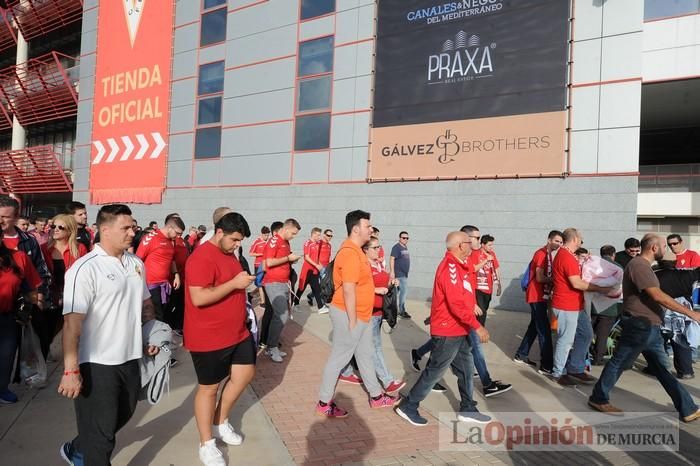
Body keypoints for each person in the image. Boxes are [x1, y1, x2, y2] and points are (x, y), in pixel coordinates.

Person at [58, 204, 160, 466]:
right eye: (125, 227)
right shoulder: (84, 269)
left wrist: (152, 334)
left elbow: (145, 304)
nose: (132, 232)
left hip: (130, 357)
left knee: (123, 416)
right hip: (96, 362)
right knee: (103, 438)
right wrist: (71, 371)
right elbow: (72, 325)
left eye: (133, 226)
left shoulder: (136, 263)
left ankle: (77, 448)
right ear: (105, 230)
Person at [588, 233, 700, 423]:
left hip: (649, 326)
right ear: (654, 248)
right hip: (639, 325)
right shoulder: (639, 266)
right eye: (665, 246)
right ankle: (598, 398)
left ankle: (688, 408)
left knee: (661, 369)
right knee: (619, 362)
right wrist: (691, 313)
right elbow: (656, 295)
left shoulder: (644, 266)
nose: (667, 250)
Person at [395, 231, 491, 426]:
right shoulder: (450, 268)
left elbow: (465, 291)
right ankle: (409, 405)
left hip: (460, 329)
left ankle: (467, 408)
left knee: (465, 368)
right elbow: (455, 303)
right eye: (468, 241)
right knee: (435, 371)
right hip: (448, 331)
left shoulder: (462, 265)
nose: (472, 244)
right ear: (459, 246)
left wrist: (471, 309)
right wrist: (477, 326)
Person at [185, 212, 256, 466]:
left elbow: (231, 283)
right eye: (235, 239)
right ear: (219, 233)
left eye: (241, 241)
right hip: (208, 336)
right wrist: (236, 284)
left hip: (238, 332)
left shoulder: (230, 254)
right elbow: (199, 298)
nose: (238, 245)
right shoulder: (201, 257)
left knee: (244, 375)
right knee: (209, 389)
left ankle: (220, 421)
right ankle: (206, 443)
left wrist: (245, 284)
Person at [316, 210, 397, 417]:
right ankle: (324, 403)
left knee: (365, 355)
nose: (371, 229)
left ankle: (377, 397)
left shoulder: (357, 251)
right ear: (356, 229)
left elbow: (360, 285)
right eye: (368, 226)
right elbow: (349, 289)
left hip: (361, 315)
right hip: (349, 314)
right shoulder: (350, 253)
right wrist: (353, 321)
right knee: (338, 359)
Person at [338, 236, 405, 392]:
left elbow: (383, 282)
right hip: (367, 312)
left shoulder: (379, 264)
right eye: (374, 247)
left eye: (378, 246)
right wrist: (374, 290)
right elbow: (351, 287)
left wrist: (392, 282)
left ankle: (345, 371)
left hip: (379, 312)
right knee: (375, 347)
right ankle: (388, 382)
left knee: (354, 343)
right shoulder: (362, 266)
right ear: (365, 250)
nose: (378, 250)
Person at [551, 228, 611, 386]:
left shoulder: (568, 256)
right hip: (566, 305)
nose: (581, 241)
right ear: (575, 239)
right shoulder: (566, 257)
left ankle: (576, 368)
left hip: (575, 305)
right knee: (566, 340)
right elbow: (576, 283)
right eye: (581, 239)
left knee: (586, 335)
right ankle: (558, 373)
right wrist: (600, 288)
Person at [0, 228, 41, 404]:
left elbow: (31, 289)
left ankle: (2, 389)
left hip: (7, 317)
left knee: (6, 357)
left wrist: (31, 303)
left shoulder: (19, 258)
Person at [513, 230, 563, 374]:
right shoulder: (540, 254)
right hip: (536, 295)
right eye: (556, 241)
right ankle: (546, 365)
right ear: (549, 240)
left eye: (560, 242)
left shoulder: (549, 255)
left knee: (534, 327)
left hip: (542, 296)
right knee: (544, 330)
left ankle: (521, 355)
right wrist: (556, 280)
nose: (558, 244)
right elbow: (540, 278)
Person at [41, 214, 88, 360]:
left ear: (70, 230)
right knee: (46, 329)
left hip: (72, 295)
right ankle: (43, 357)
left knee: (70, 327)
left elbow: (86, 273)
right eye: (53, 226)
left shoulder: (80, 249)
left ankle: (71, 358)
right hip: (50, 295)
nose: (55, 230)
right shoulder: (43, 249)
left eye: (60, 227)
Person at [262, 218, 301, 362]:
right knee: (282, 316)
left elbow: (281, 259)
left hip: (284, 283)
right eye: (293, 233)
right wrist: (287, 258)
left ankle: (271, 346)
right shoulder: (274, 241)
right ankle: (272, 347)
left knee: (278, 316)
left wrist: (291, 260)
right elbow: (268, 263)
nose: (293, 236)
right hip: (273, 283)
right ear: (285, 229)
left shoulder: (285, 242)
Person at [655, 261, 700, 379]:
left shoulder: (655, 274)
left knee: (658, 340)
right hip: (683, 310)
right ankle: (686, 371)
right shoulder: (687, 274)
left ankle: (658, 368)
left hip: (664, 309)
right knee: (680, 339)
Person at [136, 216, 185, 322]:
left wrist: (176, 275)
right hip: (151, 285)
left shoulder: (171, 240)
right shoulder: (151, 238)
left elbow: (171, 259)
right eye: (177, 233)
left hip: (164, 285)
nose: (178, 237)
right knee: (154, 316)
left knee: (162, 315)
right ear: (170, 228)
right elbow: (137, 261)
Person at [590, 245, 622, 365]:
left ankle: (584, 355)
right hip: (609, 308)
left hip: (593, 305)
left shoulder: (594, 265)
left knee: (588, 332)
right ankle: (598, 358)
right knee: (602, 335)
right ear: (613, 254)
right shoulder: (618, 267)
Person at [294, 227, 328, 314]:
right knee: (302, 287)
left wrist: (318, 265)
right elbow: (307, 257)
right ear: (313, 234)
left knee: (317, 288)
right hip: (307, 270)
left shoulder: (317, 243)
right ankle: (295, 303)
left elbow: (325, 241)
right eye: (317, 235)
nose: (319, 237)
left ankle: (321, 307)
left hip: (314, 270)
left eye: (320, 235)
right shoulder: (307, 243)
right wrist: (316, 264)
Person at [474, 234, 501, 326]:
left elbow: (496, 268)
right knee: (481, 312)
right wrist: (485, 260)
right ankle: (479, 332)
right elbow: (473, 268)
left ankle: (476, 331)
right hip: (478, 287)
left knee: (484, 309)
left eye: (492, 245)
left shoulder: (492, 254)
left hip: (488, 288)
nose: (491, 247)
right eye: (489, 245)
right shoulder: (475, 254)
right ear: (482, 244)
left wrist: (498, 284)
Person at [390, 231, 411, 319]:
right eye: (403, 238)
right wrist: (392, 272)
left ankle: (390, 309)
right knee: (403, 292)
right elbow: (392, 259)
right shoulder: (396, 247)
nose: (405, 239)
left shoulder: (404, 247)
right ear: (400, 238)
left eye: (407, 238)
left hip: (404, 274)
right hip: (399, 274)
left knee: (396, 293)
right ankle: (401, 311)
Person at [249, 226, 270, 307]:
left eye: (268, 235)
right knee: (260, 284)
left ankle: (251, 294)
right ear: (262, 234)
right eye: (265, 235)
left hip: (266, 265)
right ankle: (263, 302)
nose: (267, 237)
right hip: (258, 265)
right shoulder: (257, 242)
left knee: (264, 283)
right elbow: (251, 253)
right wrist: (261, 254)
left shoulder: (268, 242)